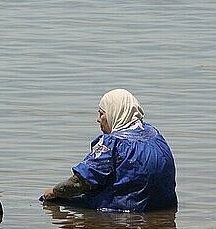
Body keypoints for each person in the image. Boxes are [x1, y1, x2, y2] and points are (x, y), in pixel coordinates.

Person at [42, 89, 177, 212]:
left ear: (114, 113)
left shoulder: (113, 143)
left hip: (125, 210)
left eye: (101, 113)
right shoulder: (154, 135)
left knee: (50, 201)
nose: (98, 119)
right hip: (164, 206)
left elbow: (81, 182)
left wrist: (54, 192)